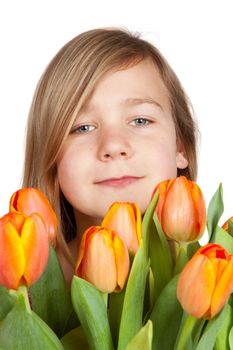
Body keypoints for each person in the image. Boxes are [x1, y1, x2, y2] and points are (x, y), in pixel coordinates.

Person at [22, 27, 197, 286]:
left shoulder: (218, 278)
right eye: (82, 127)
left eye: (140, 120)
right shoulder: (19, 293)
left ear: (180, 147)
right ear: (52, 158)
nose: (113, 145)